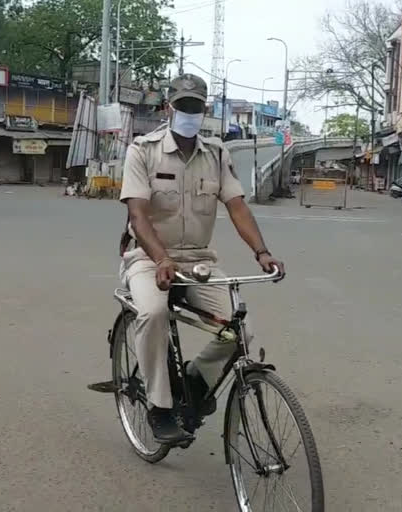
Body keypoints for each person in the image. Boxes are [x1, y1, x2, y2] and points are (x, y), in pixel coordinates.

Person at [119, 73, 285, 445]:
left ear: (204, 110)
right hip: (148, 259)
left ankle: (194, 381)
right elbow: (138, 216)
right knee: (153, 312)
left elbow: (238, 207)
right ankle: (159, 407)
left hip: (197, 264)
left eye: (196, 107)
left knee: (240, 327)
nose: (189, 113)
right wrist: (160, 258)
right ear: (169, 107)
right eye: (183, 106)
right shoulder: (142, 150)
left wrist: (262, 252)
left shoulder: (217, 154)